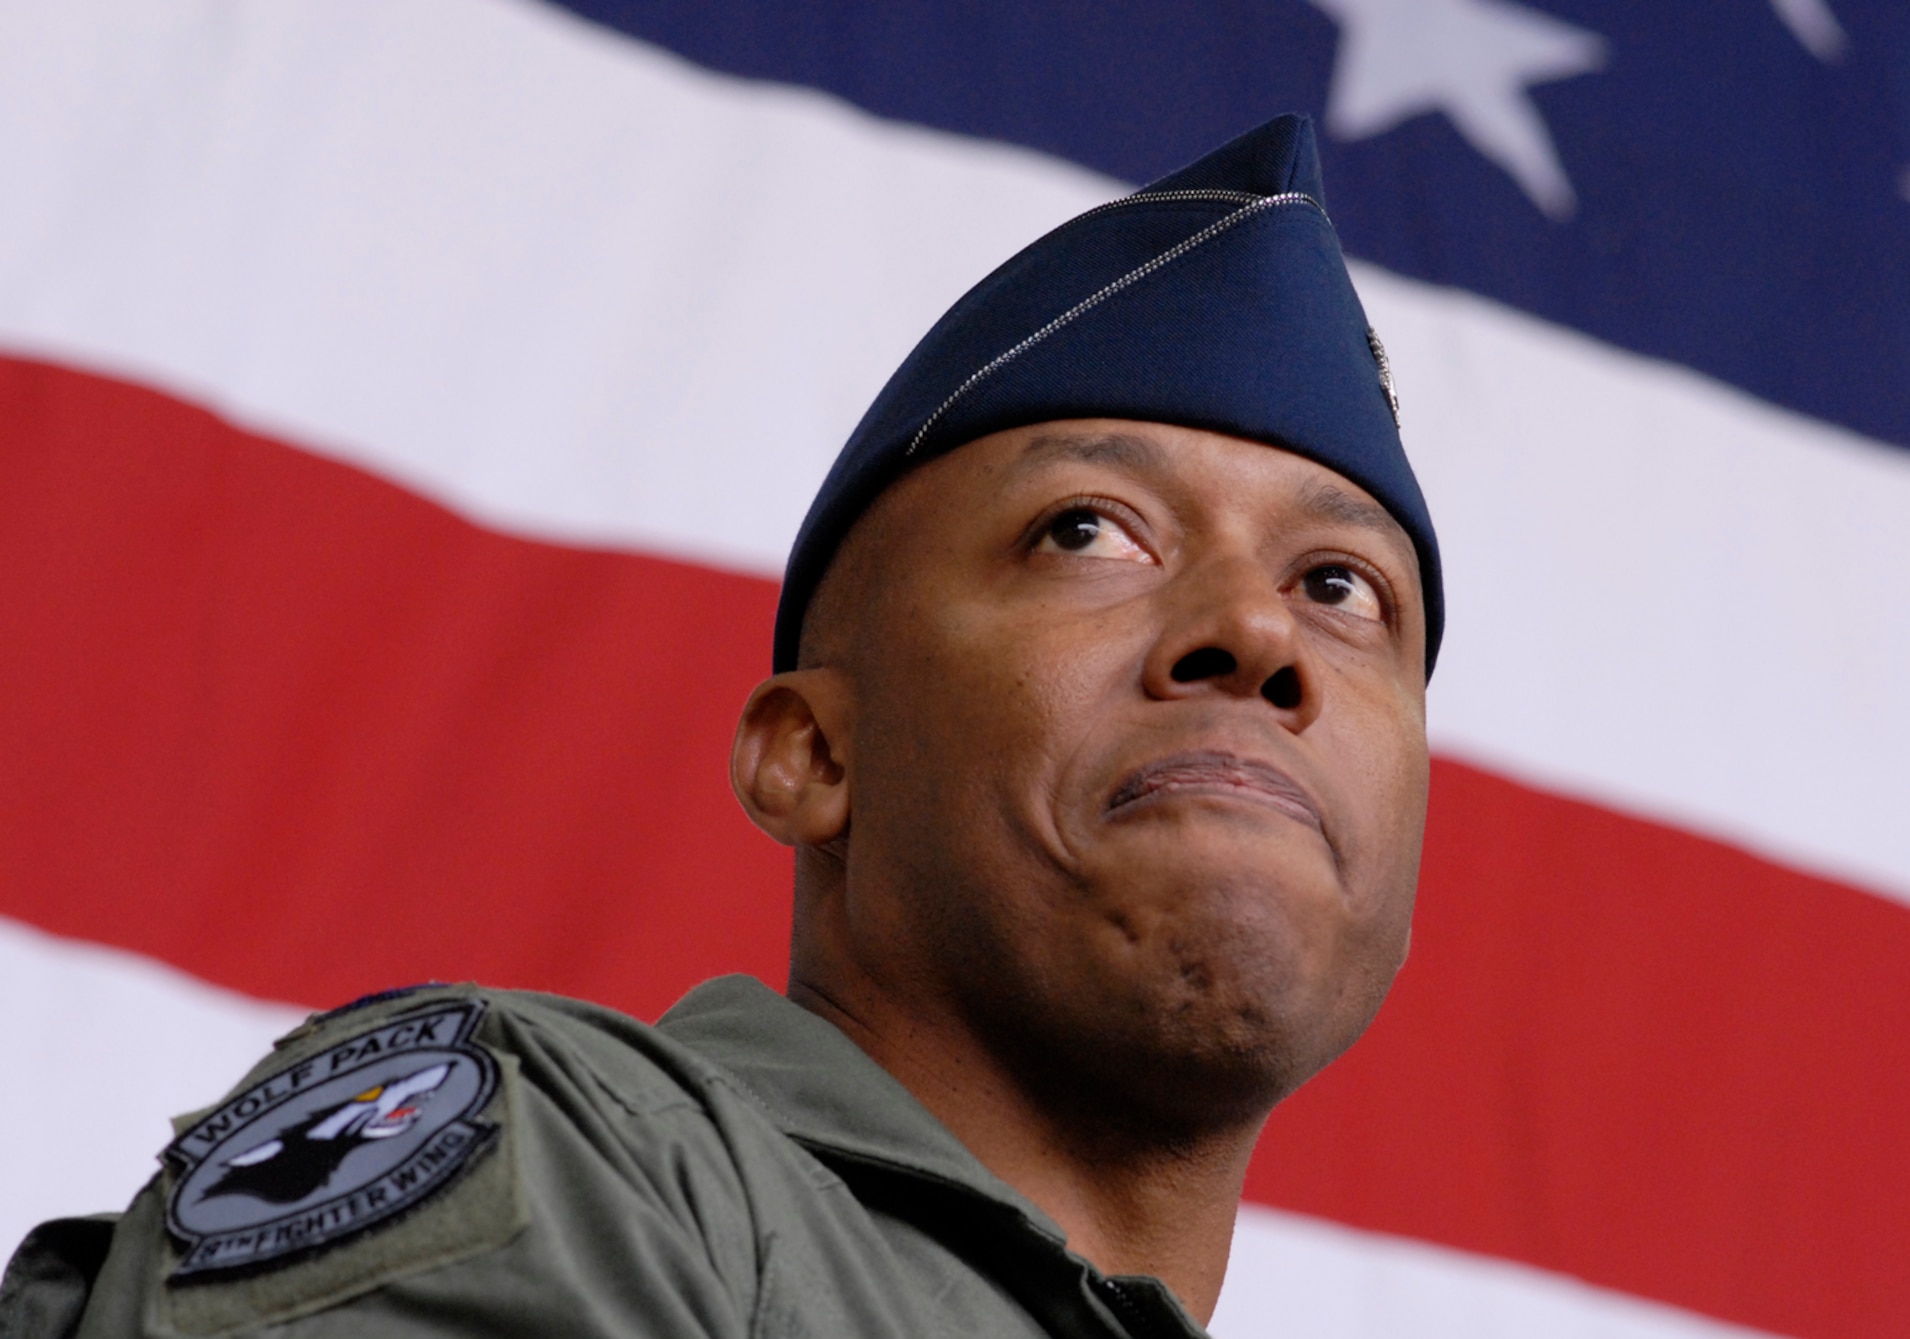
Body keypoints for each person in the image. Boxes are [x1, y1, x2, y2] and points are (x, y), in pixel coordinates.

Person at [0, 112, 1442, 1338]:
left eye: (1340, 586)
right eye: (1087, 530)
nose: (1259, 631)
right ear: (811, 754)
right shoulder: (584, 1163)